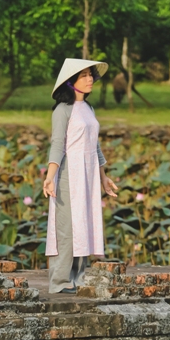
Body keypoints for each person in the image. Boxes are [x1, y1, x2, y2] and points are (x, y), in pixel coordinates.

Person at [43, 58, 118, 294]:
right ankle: (60, 280)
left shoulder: (89, 109)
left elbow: (94, 146)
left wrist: (103, 177)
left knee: (84, 224)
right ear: (71, 82)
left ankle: (78, 277)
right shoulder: (62, 111)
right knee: (67, 229)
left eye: (90, 75)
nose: (90, 80)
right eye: (84, 75)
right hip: (68, 174)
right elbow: (58, 144)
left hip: (88, 175)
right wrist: (49, 176)